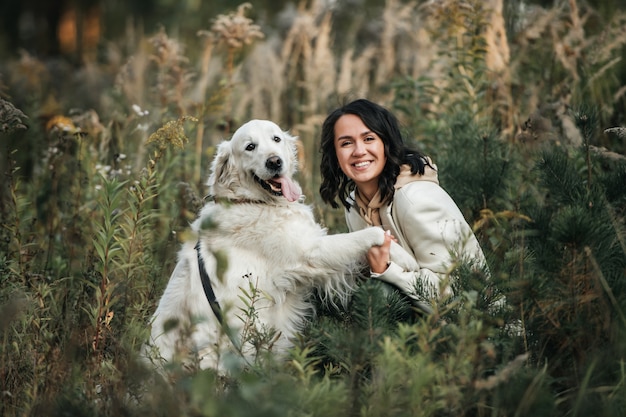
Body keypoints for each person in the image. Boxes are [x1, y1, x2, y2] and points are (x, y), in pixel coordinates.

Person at [319, 99, 487, 312]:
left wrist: (386, 270)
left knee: (379, 294)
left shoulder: (416, 200)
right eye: (346, 143)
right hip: (420, 320)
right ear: (335, 155)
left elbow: (457, 294)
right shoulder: (355, 205)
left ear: (386, 144)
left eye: (369, 138)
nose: (359, 151)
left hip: (478, 324)